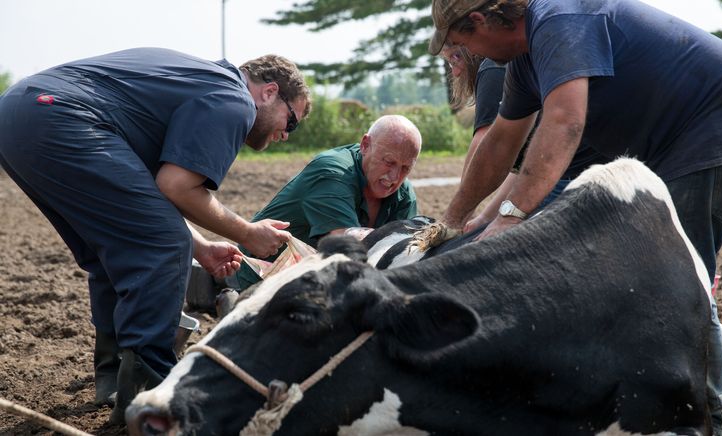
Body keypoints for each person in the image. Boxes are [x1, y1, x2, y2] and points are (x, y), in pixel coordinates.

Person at [428, 1, 722, 435]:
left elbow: (565, 121)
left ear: (478, 20)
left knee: (672, 281)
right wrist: (457, 219)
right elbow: (501, 143)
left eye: (462, 43)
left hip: (714, 133)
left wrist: (512, 217)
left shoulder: (557, 18)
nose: (468, 56)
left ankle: (709, 419)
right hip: (666, 148)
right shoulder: (525, 61)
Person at [0, 47, 311, 424]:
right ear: (269, 91)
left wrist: (203, 246)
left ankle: (113, 377)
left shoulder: (195, 83)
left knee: (115, 247)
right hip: (61, 115)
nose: (285, 136)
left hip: (18, 112)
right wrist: (247, 233)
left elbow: (149, 195)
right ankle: (150, 394)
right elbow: (178, 187)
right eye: (291, 122)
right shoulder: (233, 100)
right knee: (163, 246)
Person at [235, 114, 422, 290]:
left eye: (405, 168)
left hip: (322, 281)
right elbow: (346, 241)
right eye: (389, 162)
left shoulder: (404, 195)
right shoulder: (332, 172)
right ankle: (221, 287)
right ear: (365, 145)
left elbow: (403, 257)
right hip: (259, 276)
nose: (395, 176)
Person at [439, 45, 605, 230]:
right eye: (448, 62)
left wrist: (460, 215)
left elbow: (487, 146)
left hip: (566, 173)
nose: (455, 71)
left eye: (455, 58)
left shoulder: (493, 69)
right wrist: (486, 217)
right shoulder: (519, 62)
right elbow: (524, 164)